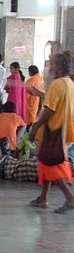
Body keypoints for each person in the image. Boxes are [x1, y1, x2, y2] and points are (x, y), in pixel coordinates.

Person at [29, 52, 74, 213]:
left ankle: (70, 198)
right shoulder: (69, 83)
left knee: (50, 164)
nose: (49, 66)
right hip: (62, 131)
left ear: (59, 67)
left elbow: (49, 109)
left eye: (52, 63)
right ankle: (43, 197)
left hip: (51, 130)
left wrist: (35, 127)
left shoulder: (56, 84)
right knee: (45, 162)